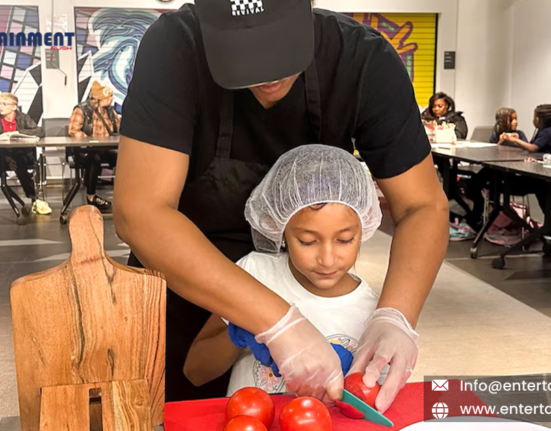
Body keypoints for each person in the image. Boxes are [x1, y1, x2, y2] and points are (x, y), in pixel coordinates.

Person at [114, 0, 449, 412]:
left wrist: (395, 316)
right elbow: (139, 212)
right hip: (184, 285)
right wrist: (278, 320)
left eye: (279, 48)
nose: (268, 75)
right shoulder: (175, 48)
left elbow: (422, 206)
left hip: (304, 281)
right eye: (242, 53)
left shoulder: (362, 61)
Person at [184, 145, 417, 397]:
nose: (327, 260)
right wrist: (240, 333)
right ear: (278, 227)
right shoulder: (254, 275)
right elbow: (195, 372)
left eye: (345, 239)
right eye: (307, 241)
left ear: (365, 227)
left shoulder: (372, 315)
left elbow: (377, 402)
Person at [68, 81, 119, 210]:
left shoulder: (110, 111)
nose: (112, 99)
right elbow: (73, 131)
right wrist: (89, 140)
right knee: (94, 158)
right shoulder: (82, 110)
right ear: (100, 99)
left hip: (106, 149)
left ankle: (126, 195)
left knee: (125, 158)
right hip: (86, 150)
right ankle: (91, 196)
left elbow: (119, 128)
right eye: (109, 97)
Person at [0, 92, 51, 215]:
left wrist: (18, 132)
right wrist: (7, 158)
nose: (0, 106)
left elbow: (40, 131)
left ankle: (33, 198)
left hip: (21, 155)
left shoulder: (23, 118)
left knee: (19, 162)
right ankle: (31, 197)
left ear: (14, 106)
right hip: (2, 155)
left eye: (4, 104)